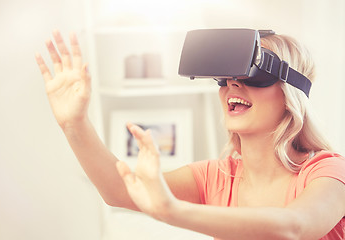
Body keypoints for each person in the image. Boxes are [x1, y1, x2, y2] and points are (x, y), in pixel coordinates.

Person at [35, 29, 345, 240]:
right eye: (224, 78)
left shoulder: (328, 171)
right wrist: (74, 124)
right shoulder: (216, 176)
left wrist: (173, 210)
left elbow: (293, 227)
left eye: (253, 75)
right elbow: (119, 190)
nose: (232, 85)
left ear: (291, 93)